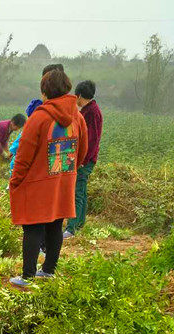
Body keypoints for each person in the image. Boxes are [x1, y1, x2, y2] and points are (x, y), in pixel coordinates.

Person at [9, 69, 88, 287]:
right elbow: (82, 151)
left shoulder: (40, 117)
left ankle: (27, 277)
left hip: (38, 182)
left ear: (45, 91)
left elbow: (24, 155)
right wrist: (68, 171)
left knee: (33, 226)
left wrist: (15, 180)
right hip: (64, 179)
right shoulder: (78, 117)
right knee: (55, 224)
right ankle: (49, 270)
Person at [64, 80, 103, 238]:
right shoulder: (90, 109)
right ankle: (79, 223)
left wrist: (81, 161)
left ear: (79, 96)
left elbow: (92, 140)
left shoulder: (91, 112)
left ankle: (71, 228)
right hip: (86, 159)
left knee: (77, 192)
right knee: (82, 190)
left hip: (85, 160)